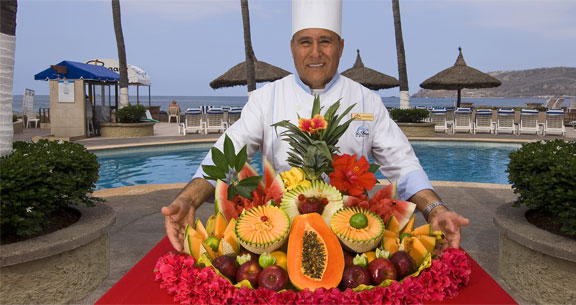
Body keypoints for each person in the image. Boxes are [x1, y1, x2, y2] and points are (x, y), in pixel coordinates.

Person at [162, 0, 469, 253]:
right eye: (305, 42)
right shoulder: (265, 99)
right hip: (279, 236)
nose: (316, 53)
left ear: (341, 46)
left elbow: (401, 163)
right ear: (292, 46)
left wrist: (436, 210)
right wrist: (188, 199)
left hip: (354, 236)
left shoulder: (366, 101)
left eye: (326, 41)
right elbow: (228, 155)